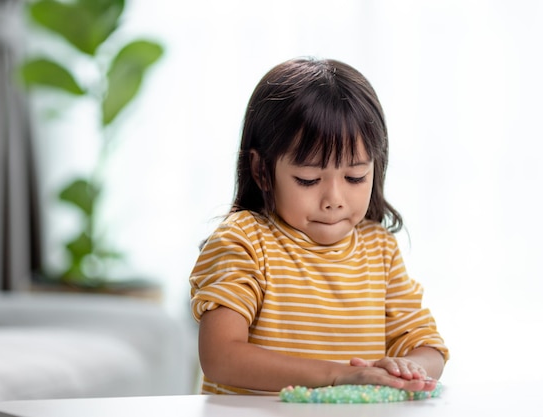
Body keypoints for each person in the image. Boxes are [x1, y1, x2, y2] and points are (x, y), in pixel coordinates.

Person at [189, 57, 449, 395]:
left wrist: (406, 369)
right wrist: (340, 375)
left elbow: (428, 348)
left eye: (355, 177)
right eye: (309, 179)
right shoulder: (244, 240)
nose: (334, 199)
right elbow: (220, 357)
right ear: (261, 170)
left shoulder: (380, 248)